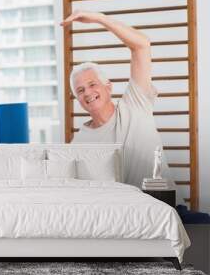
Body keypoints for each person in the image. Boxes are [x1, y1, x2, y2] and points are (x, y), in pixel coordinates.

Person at [61, 10, 171, 188]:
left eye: (92, 84)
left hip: (166, 207)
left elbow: (142, 45)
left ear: (108, 86)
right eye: (80, 90)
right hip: (123, 213)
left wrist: (99, 18)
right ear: (78, 99)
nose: (87, 93)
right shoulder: (80, 142)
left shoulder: (135, 104)